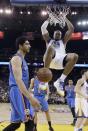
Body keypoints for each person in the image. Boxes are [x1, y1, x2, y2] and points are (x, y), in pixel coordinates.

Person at [3, 36, 40, 131]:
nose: (30, 46)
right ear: (20, 46)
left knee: (16, 124)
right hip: (18, 91)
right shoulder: (16, 59)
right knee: (30, 121)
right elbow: (18, 81)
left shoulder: (23, 60)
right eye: (27, 44)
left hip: (20, 91)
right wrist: (31, 98)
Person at [41, 15, 78, 97]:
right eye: (56, 34)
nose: (58, 35)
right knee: (50, 48)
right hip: (49, 60)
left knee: (75, 56)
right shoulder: (48, 40)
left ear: (61, 36)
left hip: (61, 61)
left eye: (59, 34)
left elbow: (71, 29)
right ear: (53, 34)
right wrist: (49, 19)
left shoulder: (63, 41)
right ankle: (45, 78)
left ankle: (60, 81)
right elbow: (43, 28)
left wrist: (65, 18)